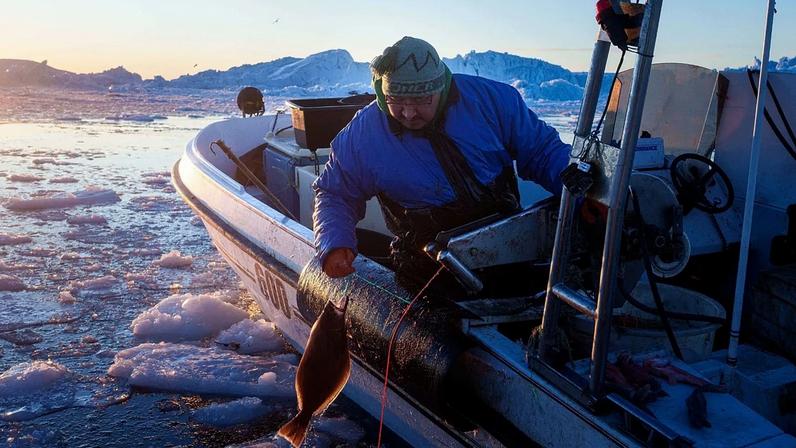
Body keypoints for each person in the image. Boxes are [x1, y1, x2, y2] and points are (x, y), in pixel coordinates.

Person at [312, 36, 571, 290]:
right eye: (395, 100)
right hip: (425, 265)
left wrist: (580, 192)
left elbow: (543, 151)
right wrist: (334, 242)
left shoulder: (493, 101)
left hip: (507, 247)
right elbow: (335, 192)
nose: (408, 113)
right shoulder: (363, 134)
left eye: (421, 100)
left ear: (441, 89)